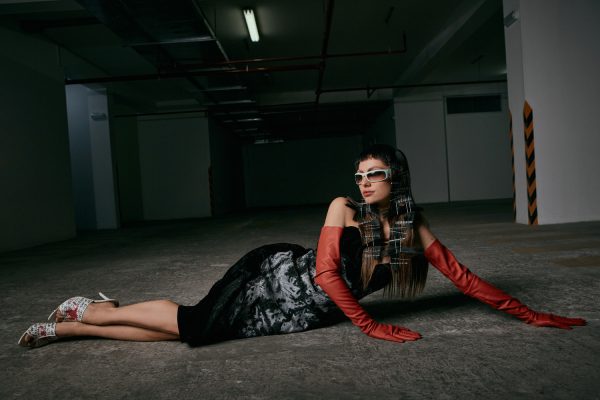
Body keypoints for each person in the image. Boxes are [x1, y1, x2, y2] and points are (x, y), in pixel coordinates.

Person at [18, 144, 586, 348]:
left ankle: (82, 322)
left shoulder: (411, 228)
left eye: (375, 173)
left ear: (396, 177)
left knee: (193, 335)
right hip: (273, 280)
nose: (364, 181)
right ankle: (85, 316)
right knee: (191, 323)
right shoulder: (343, 208)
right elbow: (327, 274)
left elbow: (462, 277)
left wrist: (530, 313)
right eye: (360, 173)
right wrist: (370, 325)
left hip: (304, 312)